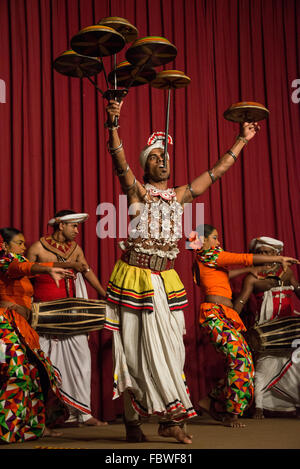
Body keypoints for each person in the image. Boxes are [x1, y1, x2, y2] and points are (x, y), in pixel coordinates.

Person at [104, 99, 261, 443]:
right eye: (156, 158)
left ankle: (168, 417)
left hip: (166, 282)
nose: (163, 162)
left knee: (172, 350)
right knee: (133, 351)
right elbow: (119, 162)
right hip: (134, 279)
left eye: (166, 158)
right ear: (146, 167)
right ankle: (134, 421)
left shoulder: (180, 195)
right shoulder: (138, 193)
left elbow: (216, 173)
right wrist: (113, 124)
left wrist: (242, 140)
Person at [190, 225, 299, 428]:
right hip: (215, 314)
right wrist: (277, 259)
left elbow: (225, 275)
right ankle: (233, 413)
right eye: (214, 238)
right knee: (240, 360)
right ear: (203, 241)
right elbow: (244, 257)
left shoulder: (207, 259)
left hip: (225, 315)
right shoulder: (210, 254)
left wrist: (247, 270)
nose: (218, 242)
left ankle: (209, 400)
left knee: (245, 362)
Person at [0, 227, 84, 443]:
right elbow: (25, 266)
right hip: (5, 326)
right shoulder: (5, 262)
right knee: (17, 373)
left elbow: (34, 267)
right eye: (19, 243)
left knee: (35, 375)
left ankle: (33, 426)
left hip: (20, 326)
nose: (24, 247)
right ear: (6, 246)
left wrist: (66, 266)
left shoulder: (17, 262)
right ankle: (6, 428)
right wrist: (49, 270)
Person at [26, 210, 107, 426]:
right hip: (45, 317)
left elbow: (87, 271)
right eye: (74, 226)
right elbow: (24, 273)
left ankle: (83, 414)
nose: (77, 231)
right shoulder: (37, 248)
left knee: (82, 360)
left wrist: (103, 293)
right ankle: (39, 419)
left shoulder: (75, 249)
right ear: (61, 225)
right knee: (43, 366)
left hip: (73, 315)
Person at [233, 236, 300, 419]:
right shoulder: (253, 277)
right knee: (262, 369)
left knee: (296, 367)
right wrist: (229, 319)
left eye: (267, 252)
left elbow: (298, 291)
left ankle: (295, 404)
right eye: (260, 252)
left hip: (288, 328)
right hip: (266, 329)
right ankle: (259, 407)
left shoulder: (288, 273)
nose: (263, 255)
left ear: (276, 254)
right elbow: (242, 301)